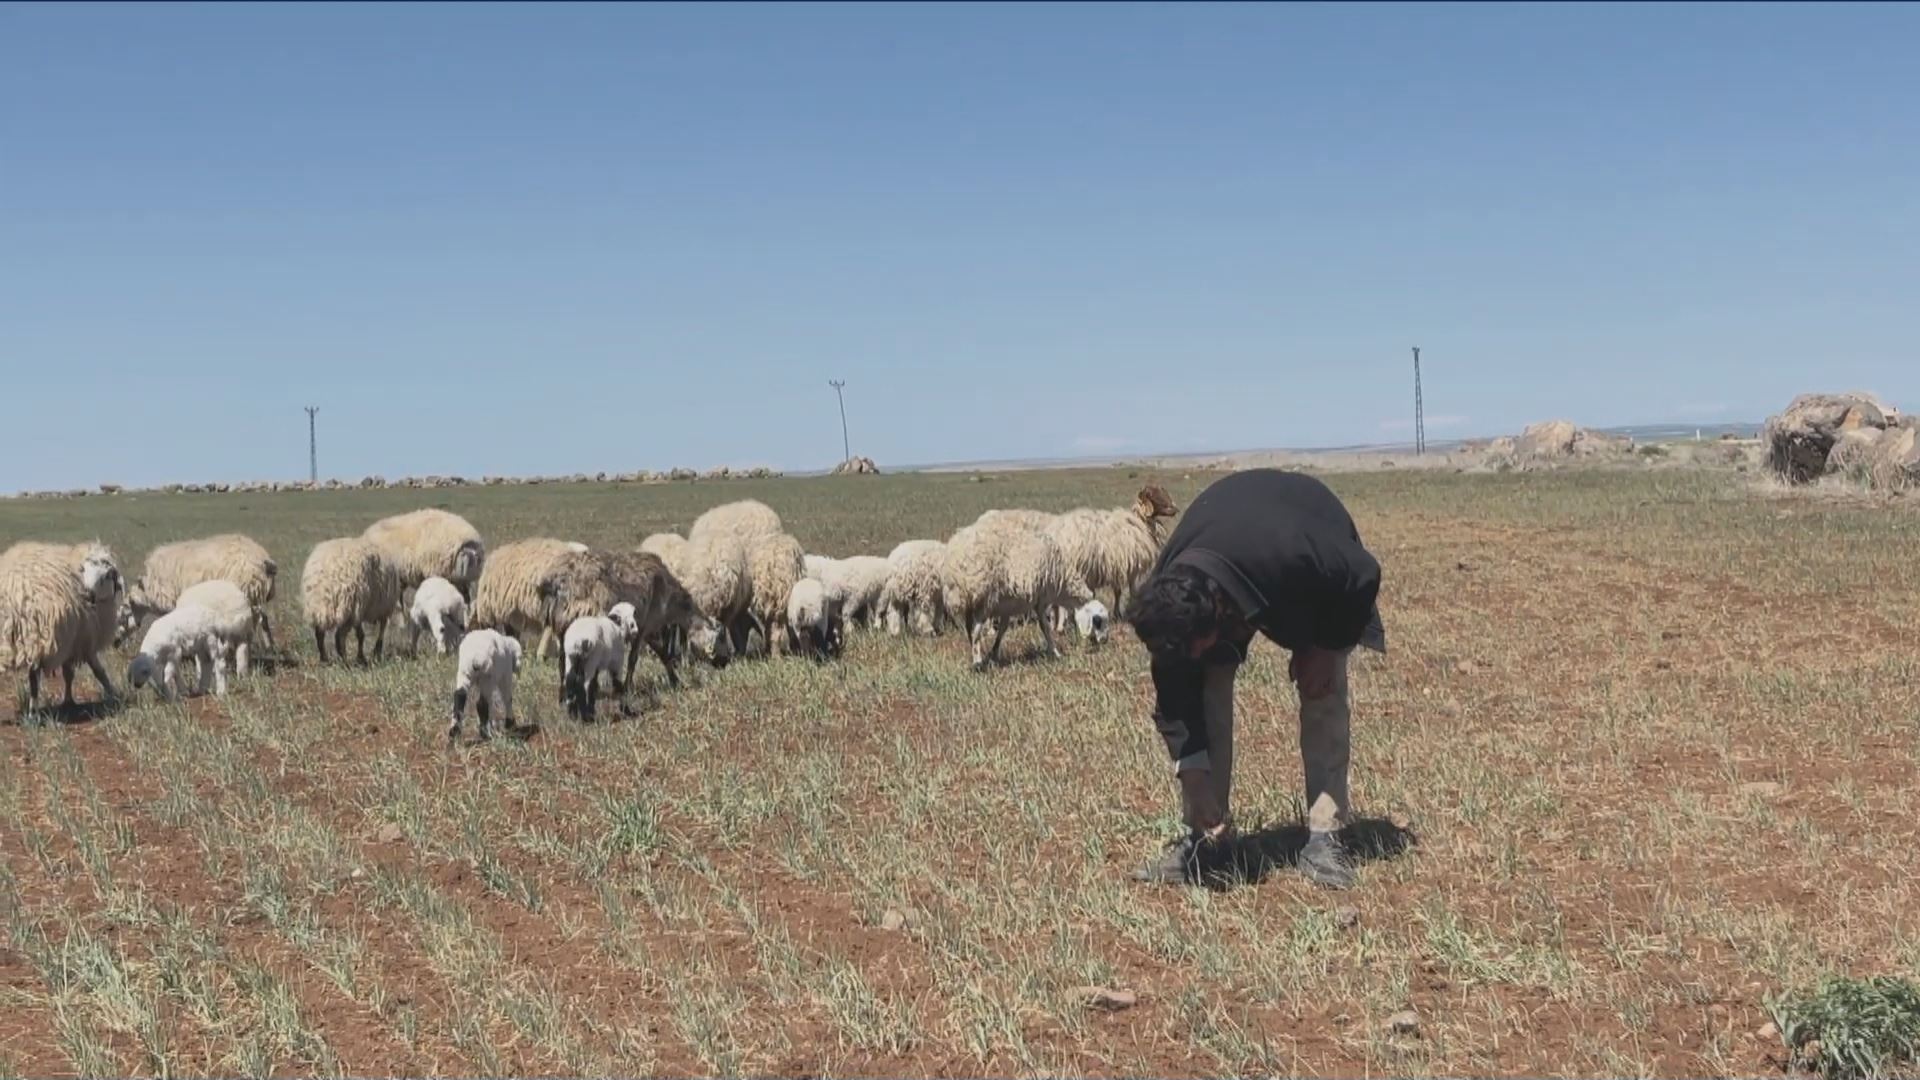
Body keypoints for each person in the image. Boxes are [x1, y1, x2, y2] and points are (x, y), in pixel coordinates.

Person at [1125, 468, 1385, 889]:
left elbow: (1362, 575)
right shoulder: (1167, 595)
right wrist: (1194, 779)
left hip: (1313, 554)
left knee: (1322, 687)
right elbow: (1174, 696)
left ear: (1218, 617)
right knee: (1203, 683)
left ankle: (1325, 837)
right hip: (1232, 541)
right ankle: (1205, 841)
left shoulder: (1293, 553)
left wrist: (1325, 646)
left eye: (1198, 645)